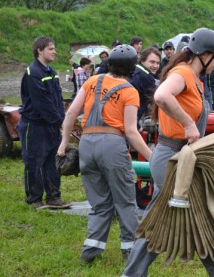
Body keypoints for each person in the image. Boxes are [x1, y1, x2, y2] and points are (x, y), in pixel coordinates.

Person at [123, 28, 214, 277]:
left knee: (197, 215)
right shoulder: (183, 72)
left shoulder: (196, 80)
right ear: (205, 54)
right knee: (162, 220)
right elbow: (162, 95)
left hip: (185, 158)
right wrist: (187, 124)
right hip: (171, 158)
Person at [57, 44, 152, 263]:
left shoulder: (91, 82)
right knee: (125, 202)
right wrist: (151, 157)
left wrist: (63, 144)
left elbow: (71, 112)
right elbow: (131, 131)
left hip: (87, 145)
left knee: (100, 203)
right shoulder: (129, 91)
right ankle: (131, 252)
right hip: (112, 145)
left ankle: (90, 252)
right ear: (131, 69)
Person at [17, 35, 70, 210]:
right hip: (34, 125)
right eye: (50, 49)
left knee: (52, 161)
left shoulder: (52, 73)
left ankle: (54, 197)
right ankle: (35, 198)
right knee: (34, 161)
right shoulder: (33, 73)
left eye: (54, 48)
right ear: (39, 50)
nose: (54, 52)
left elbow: (57, 100)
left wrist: (61, 118)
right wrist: (60, 121)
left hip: (51, 125)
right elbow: (42, 103)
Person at [128, 47, 160, 121]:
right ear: (142, 60)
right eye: (152, 62)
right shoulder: (146, 75)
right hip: (131, 117)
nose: (155, 66)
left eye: (158, 63)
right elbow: (156, 100)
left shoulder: (134, 69)